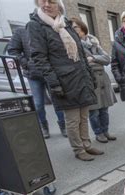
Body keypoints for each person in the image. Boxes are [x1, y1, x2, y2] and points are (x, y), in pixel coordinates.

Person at [28, 0, 102, 161]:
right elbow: (39, 58)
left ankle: (86, 145)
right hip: (64, 81)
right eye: (43, 1)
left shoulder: (66, 24)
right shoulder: (36, 26)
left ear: (59, 4)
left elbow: (81, 53)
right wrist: (54, 83)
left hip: (80, 78)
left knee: (83, 116)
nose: (46, 4)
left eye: (51, 1)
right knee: (73, 119)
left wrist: (90, 76)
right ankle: (78, 149)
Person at [8, 27, 67, 139]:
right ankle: (44, 126)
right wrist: (26, 63)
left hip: (51, 72)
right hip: (34, 73)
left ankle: (63, 125)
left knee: (57, 101)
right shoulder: (22, 31)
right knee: (38, 103)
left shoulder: (48, 28)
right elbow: (13, 50)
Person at [71, 17, 117, 144]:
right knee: (94, 111)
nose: (74, 30)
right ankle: (98, 133)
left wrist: (93, 58)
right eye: (73, 28)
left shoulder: (94, 42)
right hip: (90, 80)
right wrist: (97, 60)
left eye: (76, 27)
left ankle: (106, 131)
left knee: (104, 109)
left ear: (83, 28)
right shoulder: (74, 45)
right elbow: (83, 62)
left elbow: (107, 59)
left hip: (102, 80)